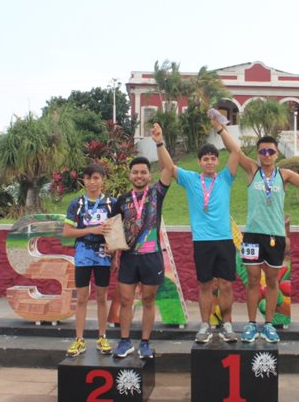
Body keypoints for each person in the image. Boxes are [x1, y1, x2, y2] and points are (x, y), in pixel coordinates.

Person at [215, 127, 299, 343]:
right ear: (257, 154)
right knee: (252, 281)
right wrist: (219, 129)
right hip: (252, 236)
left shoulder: (285, 175)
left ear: (277, 154)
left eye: (270, 151)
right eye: (262, 151)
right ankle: (252, 325)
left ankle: (269, 324)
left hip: (275, 236)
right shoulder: (252, 170)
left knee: (272, 281)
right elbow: (233, 148)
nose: (267, 155)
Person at [155, 117, 240, 343]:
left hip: (224, 239)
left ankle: (228, 325)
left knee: (225, 285)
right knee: (204, 284)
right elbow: (170, 167)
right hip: (202, 241)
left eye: (213, 158)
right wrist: (160, 142)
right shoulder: (192, 179)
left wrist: (220, 129)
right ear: (200, 162)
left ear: (217, 161)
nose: (210, 162)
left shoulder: (225, 178)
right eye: (206, 159)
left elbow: (236, 151)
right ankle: (204, 326)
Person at [109, 123, 173, 359]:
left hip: (152, 256)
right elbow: (113, 228)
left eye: (143, 172)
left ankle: (145, 343)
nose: (139, 175)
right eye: (135, 172)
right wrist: (113, 252)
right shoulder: (122, 200)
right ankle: (125, 342)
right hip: (128, 258)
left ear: (149, 175)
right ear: (130, 175)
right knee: (126, 301)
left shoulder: (157, 193)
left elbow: (169, 167)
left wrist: (159, 142)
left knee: (148, 300)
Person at [63, 164, 117, 357]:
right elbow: (67, 232)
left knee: (102, 298)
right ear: (83, 181)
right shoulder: (76, 204)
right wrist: (91, 230)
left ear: (103, 179)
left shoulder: (112, 203)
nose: (92, 182)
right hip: (83, 255)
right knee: (82, 298)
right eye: (88, 178)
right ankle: (79, 340)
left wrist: (115, 254)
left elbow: (117, 232)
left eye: (96, 178)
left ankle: (102, 337)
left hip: (104, 256)